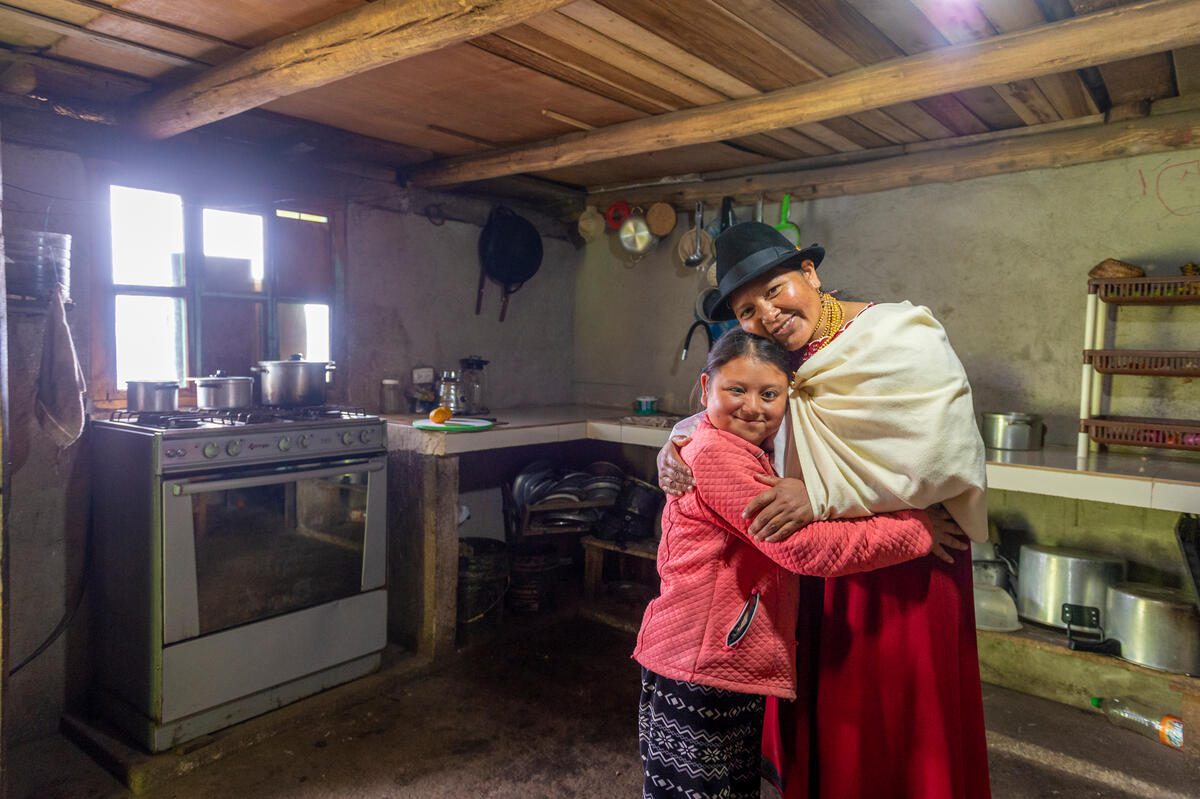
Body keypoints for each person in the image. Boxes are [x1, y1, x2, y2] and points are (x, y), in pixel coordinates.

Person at [657, 222, 991, 799]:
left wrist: (824, 498)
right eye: (746, 308)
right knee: (834, 715)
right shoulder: (777, 364)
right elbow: (733, 413)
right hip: (820, 566)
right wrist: (678, 438)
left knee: (905, 723)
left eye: (775, 289)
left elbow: (943, 451)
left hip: (910, 553)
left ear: (810, 274)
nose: (766, 313)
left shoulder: (899, 335)